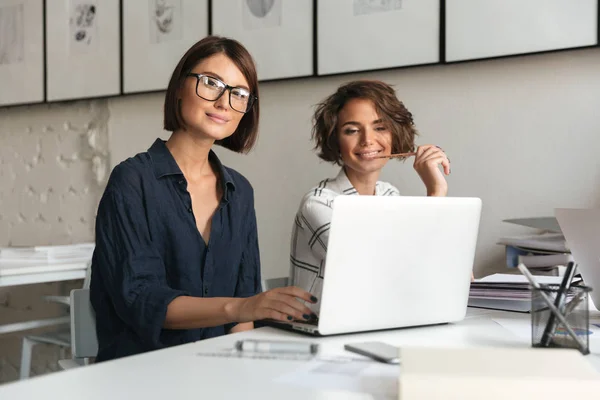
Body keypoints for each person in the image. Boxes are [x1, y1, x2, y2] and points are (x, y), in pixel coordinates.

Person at [90, 36, 316, 362]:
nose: (224, 102)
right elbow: (141, 298)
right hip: (141, 373)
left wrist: (248, 374)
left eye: (239, 94)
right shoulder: (133, 181)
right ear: (180, 86)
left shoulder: (240, 191)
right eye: (212, 83)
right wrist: (242, 307)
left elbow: (243, 312)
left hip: (217, 372)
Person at [289, 80, 451, 314]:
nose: (367, 140)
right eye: (352, 130)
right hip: (320, 331)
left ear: (395, 135)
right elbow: (381, 268)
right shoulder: (318, 204)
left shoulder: (389, 194)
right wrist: (435, 192)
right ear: (336, 140)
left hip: (376, 319)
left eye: (380, 127)